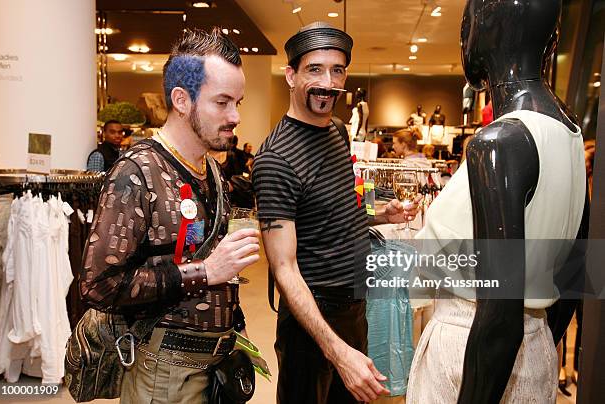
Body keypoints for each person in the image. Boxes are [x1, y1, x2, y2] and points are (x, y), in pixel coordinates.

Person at [406, 1, 587, 402]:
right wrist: (537, 342)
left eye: (466, 23)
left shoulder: (499, 143)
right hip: (532, 350)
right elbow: (575, 276)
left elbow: (500, 314)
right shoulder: (569, 132)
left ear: (484, 32)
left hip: (472, 353)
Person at [79, 28, 260, 403]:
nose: (235, 116)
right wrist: (207, 271)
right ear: (182, 99)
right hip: (163, 374)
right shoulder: (137, 171)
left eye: (238, 102)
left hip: (215, 367)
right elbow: (98, 285)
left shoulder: (211, 170)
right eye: (223, 102)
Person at [252, 21, 418, 404]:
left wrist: (379, 214)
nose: (328, 81)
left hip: (355, 304)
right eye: (315, 69)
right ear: (290, 75)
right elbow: (284, 268)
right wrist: (337, 350)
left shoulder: (338, 131)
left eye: (337, 70)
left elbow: (338, 207)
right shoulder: (275, 159)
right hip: (312, 319)